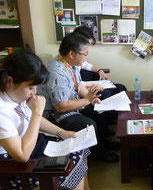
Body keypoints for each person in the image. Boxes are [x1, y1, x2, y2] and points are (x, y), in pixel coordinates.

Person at [0, 50, 90, 190]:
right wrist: (36, 112)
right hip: (12, 163)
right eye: (30, 87)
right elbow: (22, 155)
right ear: (9, 81)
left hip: (33, 144)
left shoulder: (16, 94)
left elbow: (33, 120)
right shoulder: (1, 109)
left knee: (79, 147)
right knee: (70, 164)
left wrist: (61, 132)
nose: (34, 92)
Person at [38, 32, 119, 163]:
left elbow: (78, 84)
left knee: (99, 111)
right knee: (89, 124)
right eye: (85, 54)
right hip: (55, 115)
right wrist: (86, 100)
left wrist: (90, 99)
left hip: (72, 104)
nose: (86, 57)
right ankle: (98, 155)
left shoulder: (72, 64)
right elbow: (60, 107)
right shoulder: (56, 72)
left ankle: (103, 144)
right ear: (71, 53)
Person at [73, 25, 127, 96]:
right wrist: (91, 85)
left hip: (85, 85)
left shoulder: (79, 55)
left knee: (121, 88)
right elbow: (74, 84)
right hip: (82, 90)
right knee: (106, 94)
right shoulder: (71, 58)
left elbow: (85, 65)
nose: (87, 48)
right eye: (86, 44)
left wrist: (99, 70)